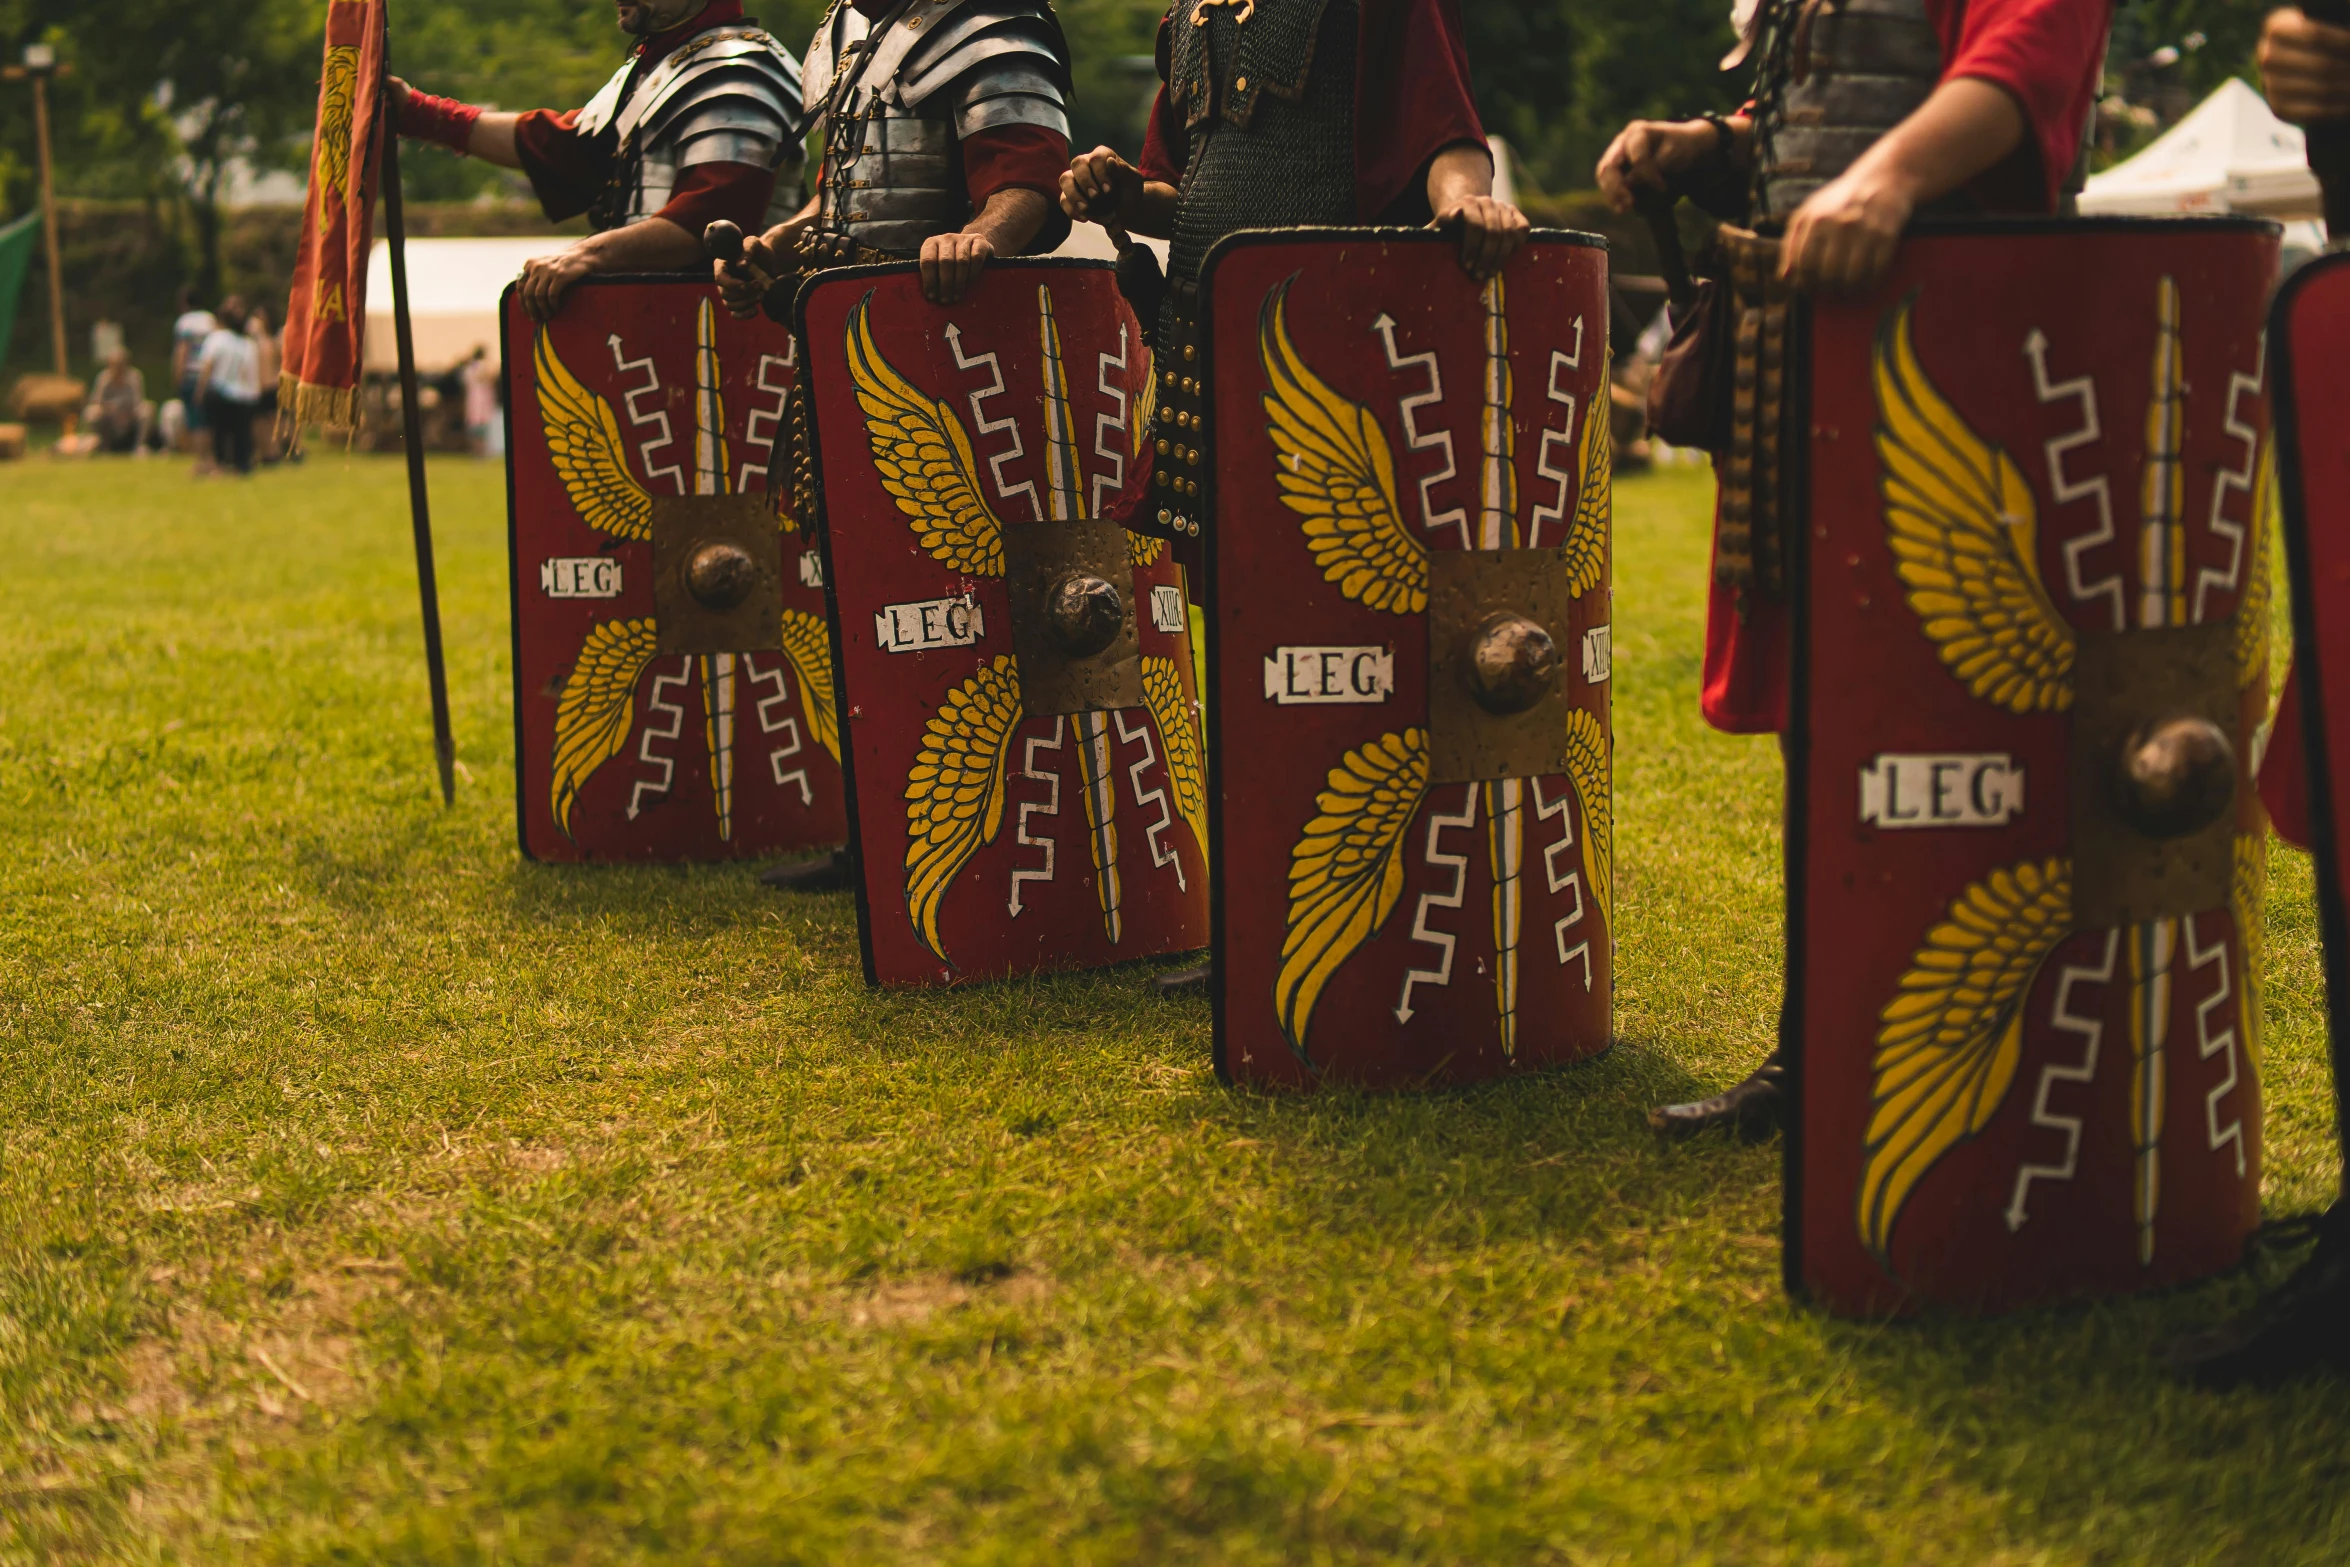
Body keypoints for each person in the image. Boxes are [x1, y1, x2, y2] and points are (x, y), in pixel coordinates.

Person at [1591, 0, 2112, 1138]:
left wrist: (1886, 179)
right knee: (1827, 726)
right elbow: (1810, 116)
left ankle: (1987, 1065)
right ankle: (1818, 1051)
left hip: (1949, 356)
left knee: (1950, 727)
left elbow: (2024, 65)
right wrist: (1711, 148)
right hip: (1813, 351)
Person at [1056, 0, 1527, 539]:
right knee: (1237, 591)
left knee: (1342, 579)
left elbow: (1442, 118)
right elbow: (1180, 190)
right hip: (1206, 348)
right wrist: (1124, 192)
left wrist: (1464, 200)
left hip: (1332, 333)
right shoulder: (1191, 9)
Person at [390, 0, 805, 321]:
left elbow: (710, 221)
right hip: (661, 325)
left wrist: (585, 255)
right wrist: (420, 114)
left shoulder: (741, 70)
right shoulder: (660, 66)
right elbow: (560, 146)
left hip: (731, 328)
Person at [713, 0, 1075, 315]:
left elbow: (1030, 182)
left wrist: (975, 239)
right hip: (835, 314)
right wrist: (774, 247)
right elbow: (843, 193)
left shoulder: (987, 16)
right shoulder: (850, 21)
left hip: (943, 321)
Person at [195, 295, 263, 477]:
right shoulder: (248, 344)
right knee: (241, 434)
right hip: (243, 396)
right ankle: (242, 465)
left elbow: (208, 367)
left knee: (219, 432)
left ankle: (218, 464)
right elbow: (252, 372)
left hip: (220, 392)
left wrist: (200, 391)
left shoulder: (216, 339)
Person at [169, 287, 217, 466]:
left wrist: (177, 377)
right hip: (209, 376)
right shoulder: (210, 319)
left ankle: (201, 461)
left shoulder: (185, 322)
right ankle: (212, 457)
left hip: (191, 376)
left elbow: (182, 351)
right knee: (208, 420)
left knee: (195, 420)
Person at [83, 349, 152, 456]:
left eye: (120, 365)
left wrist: (126, 413)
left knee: (147, 410)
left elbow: (138, 402)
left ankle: (140, 446)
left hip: (130, 415)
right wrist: (111, 410)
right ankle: (99, 446)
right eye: (115, 365)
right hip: (110, 416)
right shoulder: (103, 378)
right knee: (91, 413)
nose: (118, 369)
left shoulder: (134, 377)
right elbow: (97, 402)